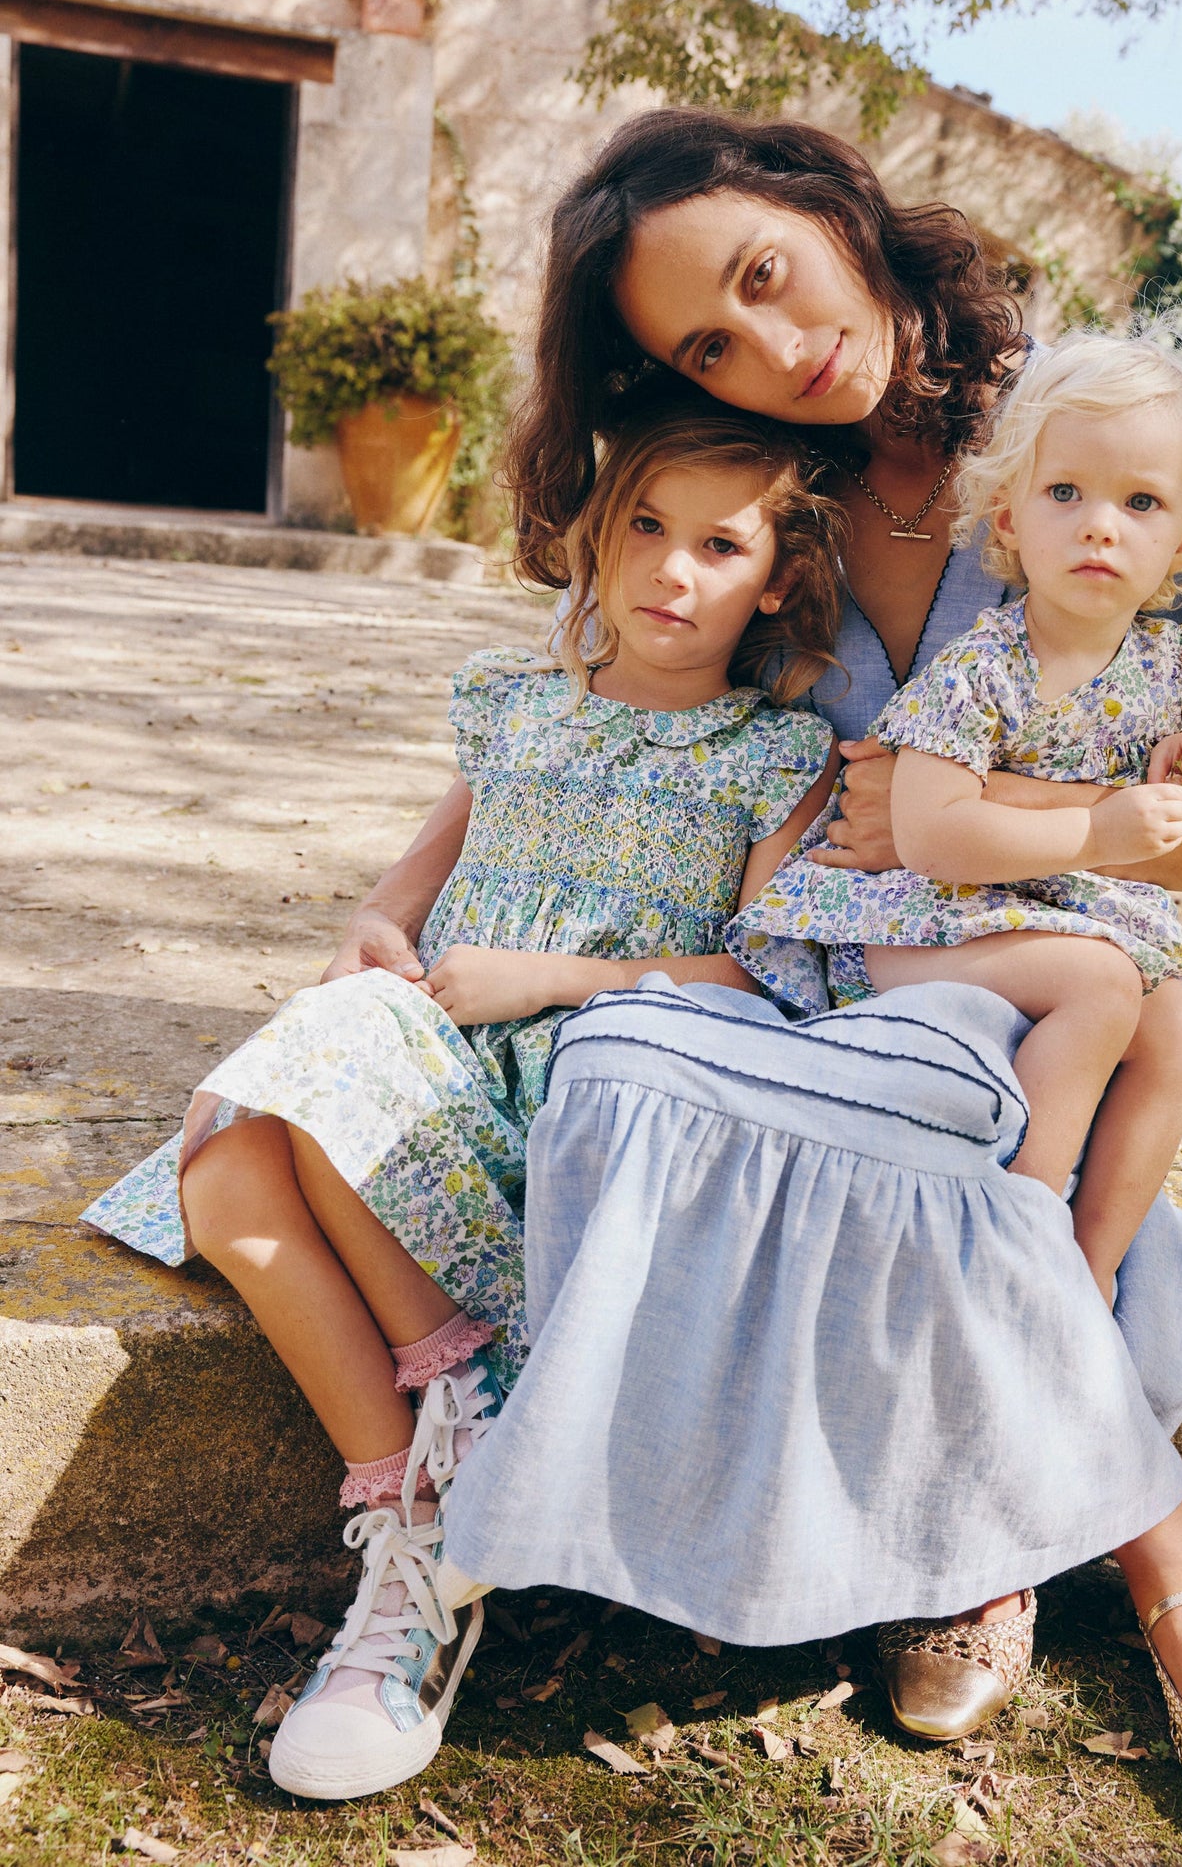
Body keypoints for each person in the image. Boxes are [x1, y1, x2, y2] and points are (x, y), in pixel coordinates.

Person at [424, 111, 1182, 1858]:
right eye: (710, 345)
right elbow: (580, 710)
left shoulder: (1115, 449)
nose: (776, 348)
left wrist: (977, 815)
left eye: (768, 276)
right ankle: (1108, 1527)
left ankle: (1086, 1528)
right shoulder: (757, 506)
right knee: (894, 1078)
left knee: (1149, 1021)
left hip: (1054, 954)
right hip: (857, 981)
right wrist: (411, 905)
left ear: (835, 208)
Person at [81, 398, 843, 1800]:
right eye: (645, 528)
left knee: (304, 1096)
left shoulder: (772, 755)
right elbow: (402, 893)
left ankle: (450, 1468)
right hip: (419, 1047)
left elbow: (762, 977)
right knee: (223, 1170)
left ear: (779, 578)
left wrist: (549, 976)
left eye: (719, 546)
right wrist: (372, 934)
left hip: (558, 1093)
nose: (672, 570)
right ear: (598, 539)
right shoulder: (515, 703)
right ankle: (434, 1488)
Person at [729, 327, 1182, 1304]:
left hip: (1045, 918)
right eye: (1065, 493)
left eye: (1139, 502)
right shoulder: (978, 668)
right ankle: (1015, 1232)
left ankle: (1088, 1267)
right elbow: (930, 835)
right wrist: (1096, 831)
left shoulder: (1174, 665)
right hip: (906, 921)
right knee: (1099, 983)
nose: (1099, 527)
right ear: (1009, 519)